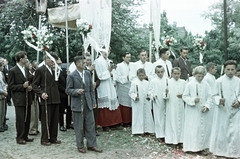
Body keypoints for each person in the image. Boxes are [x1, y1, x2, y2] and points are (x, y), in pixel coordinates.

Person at [66, 56, 102, 153]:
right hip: (78, 104)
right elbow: (68, 90)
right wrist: (76, 91)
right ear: (77, 64)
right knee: (79, 126)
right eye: (82, 62)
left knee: (90, 124)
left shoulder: (87, 74)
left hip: (88, 103)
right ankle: (80, 145)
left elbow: (91, 89)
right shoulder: (71, 76)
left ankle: (92, 144)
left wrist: (94, 101)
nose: (84, 63)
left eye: (85, 62)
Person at [209, 60, 240, 158]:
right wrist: (219, 100)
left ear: (235, 70)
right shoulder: (219, 81)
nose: (230, 72)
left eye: (232, 69)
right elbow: (213, 95)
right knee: (222, 130)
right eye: (228, 69)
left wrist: (239, 101)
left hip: (236, 110)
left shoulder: (239, 81)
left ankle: (235, 152)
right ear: (224, 69)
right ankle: (221, 151)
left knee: (236, 131)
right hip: (223, 110)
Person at [32, 53, 62, 146]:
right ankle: (44, 138)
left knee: (54, 119)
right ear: (46, 59)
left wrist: (57, 69)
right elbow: (34, 85)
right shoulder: (40, 70)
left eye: (54, 60)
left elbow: (61, 81)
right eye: (51, 59)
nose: (53, 61)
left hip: (55, 97)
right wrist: (41, 93)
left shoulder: (54, 70)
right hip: (46, 97)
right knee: (46, 119)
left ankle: (53, 137)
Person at [182, 66, 212, 155]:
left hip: (203, 110)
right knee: (194, 128)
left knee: (203, 128)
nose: (201, 78)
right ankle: (192, 147)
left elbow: (210, 96)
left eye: (202, 76)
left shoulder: (206, 84)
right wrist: (193, 100)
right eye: (199, 76)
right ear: (194, 74)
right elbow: (185, 96)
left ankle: (202, 147)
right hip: (193, 111)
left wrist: (207, 106)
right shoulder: (190, 84)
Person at [8, 51, 33, 144]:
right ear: (21, 59)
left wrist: (29, 86)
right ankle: (19, 137)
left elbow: (27, 82)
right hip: (19, 98)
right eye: (25, 58)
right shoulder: (13, 71)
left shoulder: (26, 69)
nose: (27, 59)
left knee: (27, 118)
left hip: (27, 98)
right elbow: (10, 86)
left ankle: (25, 136)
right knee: (20, 119)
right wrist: (22, 86)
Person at [94, 50, 122, 131]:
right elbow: (100, 76)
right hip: (103, 85)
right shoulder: (98, 61)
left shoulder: (110, 61)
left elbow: (114, 74)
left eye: (108, 51)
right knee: (105, 103)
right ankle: (105, 124)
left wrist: (112, 73)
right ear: (101, 51)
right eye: (104, 51)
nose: (106, 53)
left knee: (112, 101)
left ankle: (114, 123)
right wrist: (109, 71)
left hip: (110, 84)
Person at [129, 68, 154, 135]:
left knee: (147, 114)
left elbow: (150, 91)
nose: (141, 77)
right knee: (138, 116)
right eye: (140, 75)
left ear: (145, 75)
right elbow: (131, 93)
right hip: (138, 103)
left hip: (146, 102)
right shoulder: (134, 83)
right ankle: (138, 130)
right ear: (137, 75)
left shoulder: (147, 83)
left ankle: (148, 130)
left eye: (143, 75)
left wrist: (149, 96)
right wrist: (135, 97)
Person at [165, 67, 185, 146]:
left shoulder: (183, 82)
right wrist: (166, 93)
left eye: (178, 74)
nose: (177, 75)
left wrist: (183, 95)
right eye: (175, 74)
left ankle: (181, 139)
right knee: (172, 121)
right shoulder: (168, 82)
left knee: (181, 121)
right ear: (172, 74)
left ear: (180, 74)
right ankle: (172, 140)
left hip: (180, 105)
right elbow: (165, 96)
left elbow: (186, 93)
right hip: (172, 105)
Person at [149, 65, 168, 142]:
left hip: (166, 100)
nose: (160, 74)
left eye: (161, 72)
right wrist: (153, 96)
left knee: (166, 117)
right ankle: (160, 134)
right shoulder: (153, 81)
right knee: (158, 117)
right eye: (158, 72)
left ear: (164, 72)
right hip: (157, 101)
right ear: (155, 72)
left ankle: (166, 133)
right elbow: (150, 91)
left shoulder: (167, 80)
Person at [116, 52, 132, 127]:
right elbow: (117, 78)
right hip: (123, 87)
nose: (129, 59)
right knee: (124, 105)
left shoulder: (132, 65)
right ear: (123, 58)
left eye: (129, 57)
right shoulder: (119, 66)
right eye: (127, 57)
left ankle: (130, 120)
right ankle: (125, 121)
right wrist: (127, 77)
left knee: (131, 104)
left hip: (131, 86)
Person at [27, 60, 39, 136]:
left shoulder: (33, 71)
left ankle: (36, 127)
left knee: (36, 113)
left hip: (35, 95)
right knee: (32, 114)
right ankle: (31, 129)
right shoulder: (27, 72)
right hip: (29, 95)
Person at [0, 62, 7, 132]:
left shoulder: (1, 73)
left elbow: (4, 83)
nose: (3, 67)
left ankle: (2, 124)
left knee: (3, 111)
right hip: (1, 93)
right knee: (0, 111)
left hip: (3, 93)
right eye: (2, 66)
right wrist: (2, 92)